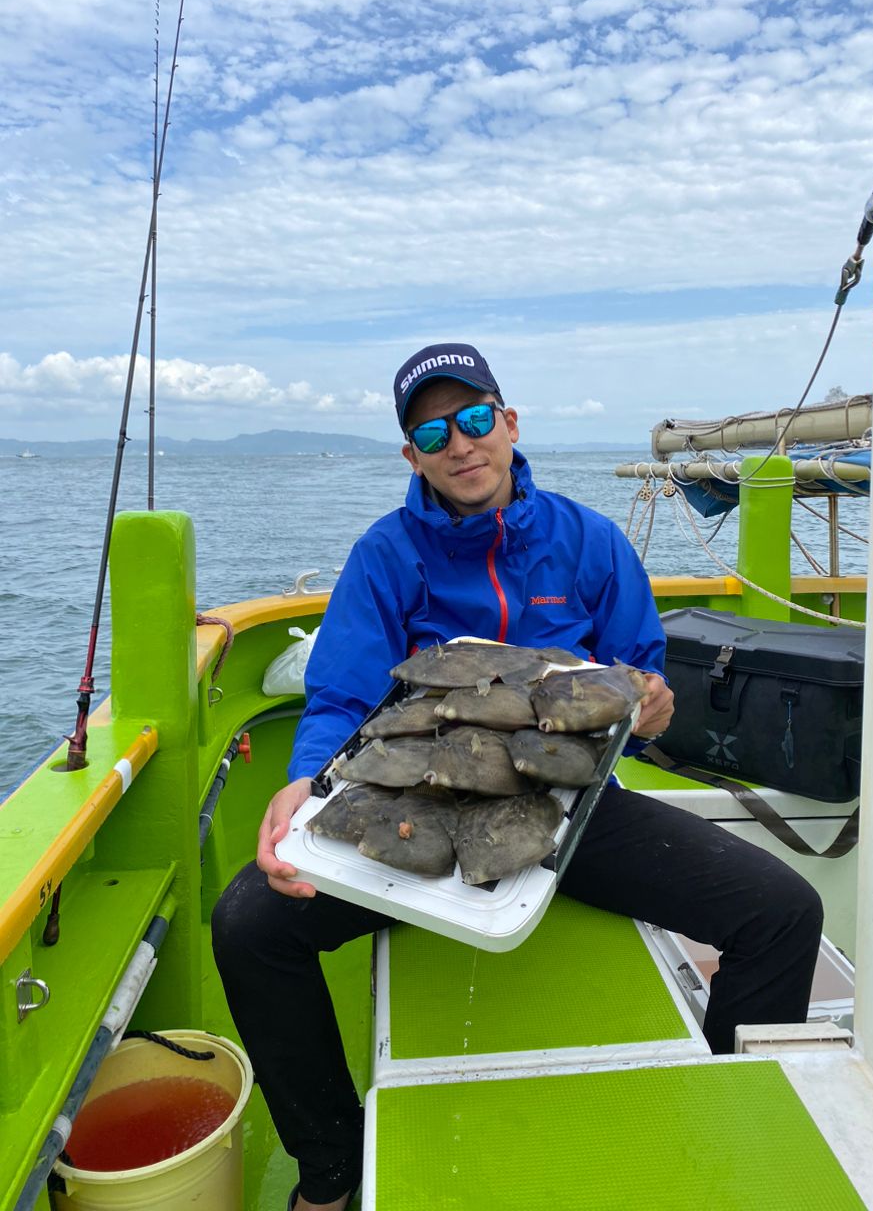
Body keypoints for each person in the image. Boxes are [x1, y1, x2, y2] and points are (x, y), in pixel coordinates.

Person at [212, 343, 823, 1211]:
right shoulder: (386, 554)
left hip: (571, 810)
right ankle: (331, 1169)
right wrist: (306, 784)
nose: (460, 445)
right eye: (433, 431)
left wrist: (651, 708)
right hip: (412, 805)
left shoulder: (590, 542)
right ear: (411, 455)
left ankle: (724, 1106)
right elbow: (343, 694)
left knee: (783, 913)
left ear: (508, 422)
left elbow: (639, 682)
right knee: (248, 924)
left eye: (473, 419)